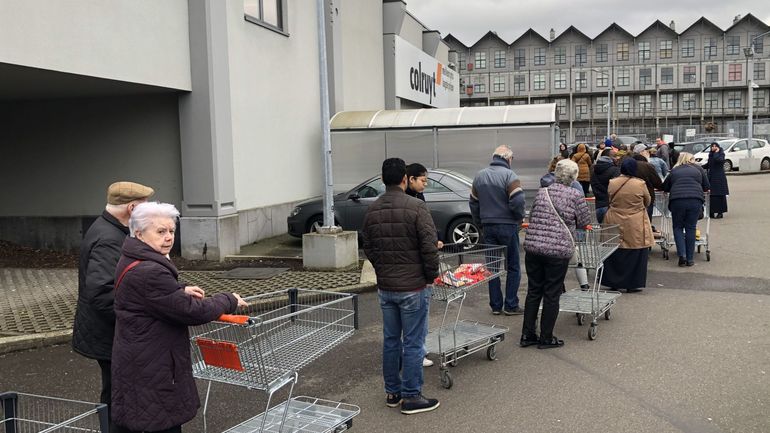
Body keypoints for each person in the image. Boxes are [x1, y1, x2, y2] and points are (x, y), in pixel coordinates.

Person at [111, 202, 248, 433]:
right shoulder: (150, 271)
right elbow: (193, 312)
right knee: (160, 422)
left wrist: (179, 289)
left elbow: (151, 296)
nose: (168, 238)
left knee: (141, 419)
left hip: (140, 357)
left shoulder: (133, 257)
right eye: (160, 231)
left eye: (171, 231)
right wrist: (229, 299)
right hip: (153, 364)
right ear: (139, 233)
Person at [362, 158, 440, 415]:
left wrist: (383, 269)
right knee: (414, 342)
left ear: (383, 179)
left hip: (387, 287)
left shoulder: (372, 210)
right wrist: (430, 276)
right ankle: (412, 396)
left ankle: (393, 392)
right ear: (405, 179)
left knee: (391, 340)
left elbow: (369, 247)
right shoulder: (416, 207)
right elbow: (429, 247)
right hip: (413, 286)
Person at [72, 181, 155, 418]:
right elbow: (103, 292)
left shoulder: (109, 228)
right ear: (132, 208)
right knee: (117, 396)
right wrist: (134, 320)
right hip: (110, 334)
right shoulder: (109, 238)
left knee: (118, 393)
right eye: (145, 206)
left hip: (106, 332)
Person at [520, 159, 591, 349]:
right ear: (574, 176)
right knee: (552, 294)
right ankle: (546, 337)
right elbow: (584, 221)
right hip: (557, 251)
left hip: (534, 248)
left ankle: (527, 335)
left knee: (534, 291)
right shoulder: (576, 195)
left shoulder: (542, 192)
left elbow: (533, 214)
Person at [470, 145, 525, 315]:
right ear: (508, 158)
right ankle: (511, 305)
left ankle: (495, 305)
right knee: (513, 266)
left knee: (492, 267)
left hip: (488, 227)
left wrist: (480, 223)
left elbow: (473, 203)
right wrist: (519, 218)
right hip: (508, 226)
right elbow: (518, 202)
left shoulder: (479, 176)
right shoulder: (510, 176)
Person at [405, 162, 442, 368]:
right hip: (415, 267)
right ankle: (416, 354)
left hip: (406, 268)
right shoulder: (410, 201)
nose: (425, 184)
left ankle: (417, 349)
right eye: (422, 180)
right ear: (410, 179)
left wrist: (434, 239)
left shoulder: (418, 197)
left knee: (414, 317)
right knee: (417, 314)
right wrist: (431, 275)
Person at [601, 158, 654, 292]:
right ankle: (632, 283)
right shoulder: (640, 184)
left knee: (614, 249)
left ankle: (614, 282)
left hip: (614, 218)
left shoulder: (612, 183)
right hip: (635, 220)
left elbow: (609, 198)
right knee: (635, 249)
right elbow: (648, 201)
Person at [663, 153, 710, 267]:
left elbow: (665, 187)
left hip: (677, 201)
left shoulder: (674, 171)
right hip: (695, 200)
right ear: (691, 159)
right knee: (691, 228)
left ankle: (682, 256)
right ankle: (690, 259)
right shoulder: (698, 170)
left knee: (678, 227)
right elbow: (706, 186)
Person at [590, 148, 620, 223]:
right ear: (608, 157)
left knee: (604, 232)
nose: (617, 158)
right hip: (611, 206)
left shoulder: (594, 171)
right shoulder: (615, 170)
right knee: (613, 232)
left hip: (599, 206)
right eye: (614, 156)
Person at [705, 142, 729, 218]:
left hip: (719, 177)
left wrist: (717, 152)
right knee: (711, 195)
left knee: (719, 195)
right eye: (712, 146)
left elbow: (719, 160)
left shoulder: (721, 154)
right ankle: (711, 211)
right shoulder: (711, 154)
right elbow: (709, 164)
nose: (714, 147)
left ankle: (720, 212)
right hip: (711, 176)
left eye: (715, 146)